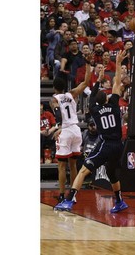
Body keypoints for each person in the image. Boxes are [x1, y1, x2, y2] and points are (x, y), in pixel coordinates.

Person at [54, 49, 129, 213]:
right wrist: (118, 63)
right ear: (108, 99)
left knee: (83, 170)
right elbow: (117, 82)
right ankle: (120, 201)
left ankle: (69, 200)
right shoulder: (115, 104)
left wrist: (98, 81)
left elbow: (93, 96)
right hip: (119, 145)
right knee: (111, 173)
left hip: (106, 145)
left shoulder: (94, 109)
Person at [50, 54, 92, 203]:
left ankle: (62, 195)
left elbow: (57, 112)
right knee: (73, 164)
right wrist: (88, 64)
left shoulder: (54, 98)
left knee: (61, 166)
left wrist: (59, 128)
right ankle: (73, 194)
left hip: (66, 130)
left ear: (54, 88)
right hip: (76, 130)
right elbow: (86, 82)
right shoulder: (72, 94)